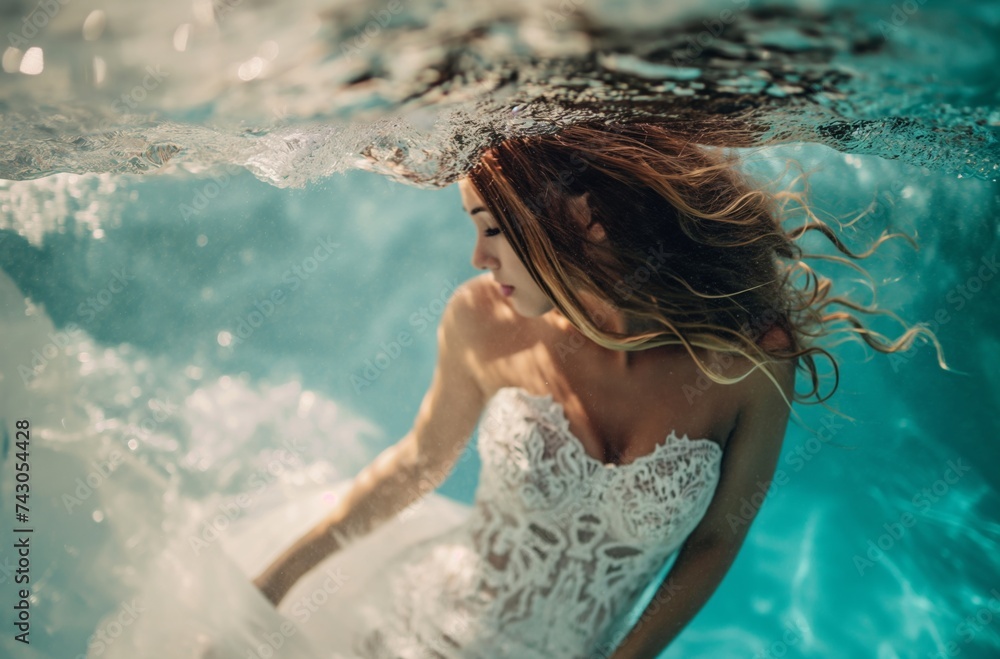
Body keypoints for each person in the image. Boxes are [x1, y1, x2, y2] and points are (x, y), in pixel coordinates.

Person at [251, 122, 937, 658]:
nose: (478, 257)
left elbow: (716, 542)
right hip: (416, 631)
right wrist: (273, 584)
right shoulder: (483, 319)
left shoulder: (749, 361)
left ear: (583, 219)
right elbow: (417, 463)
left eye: (492, 229)